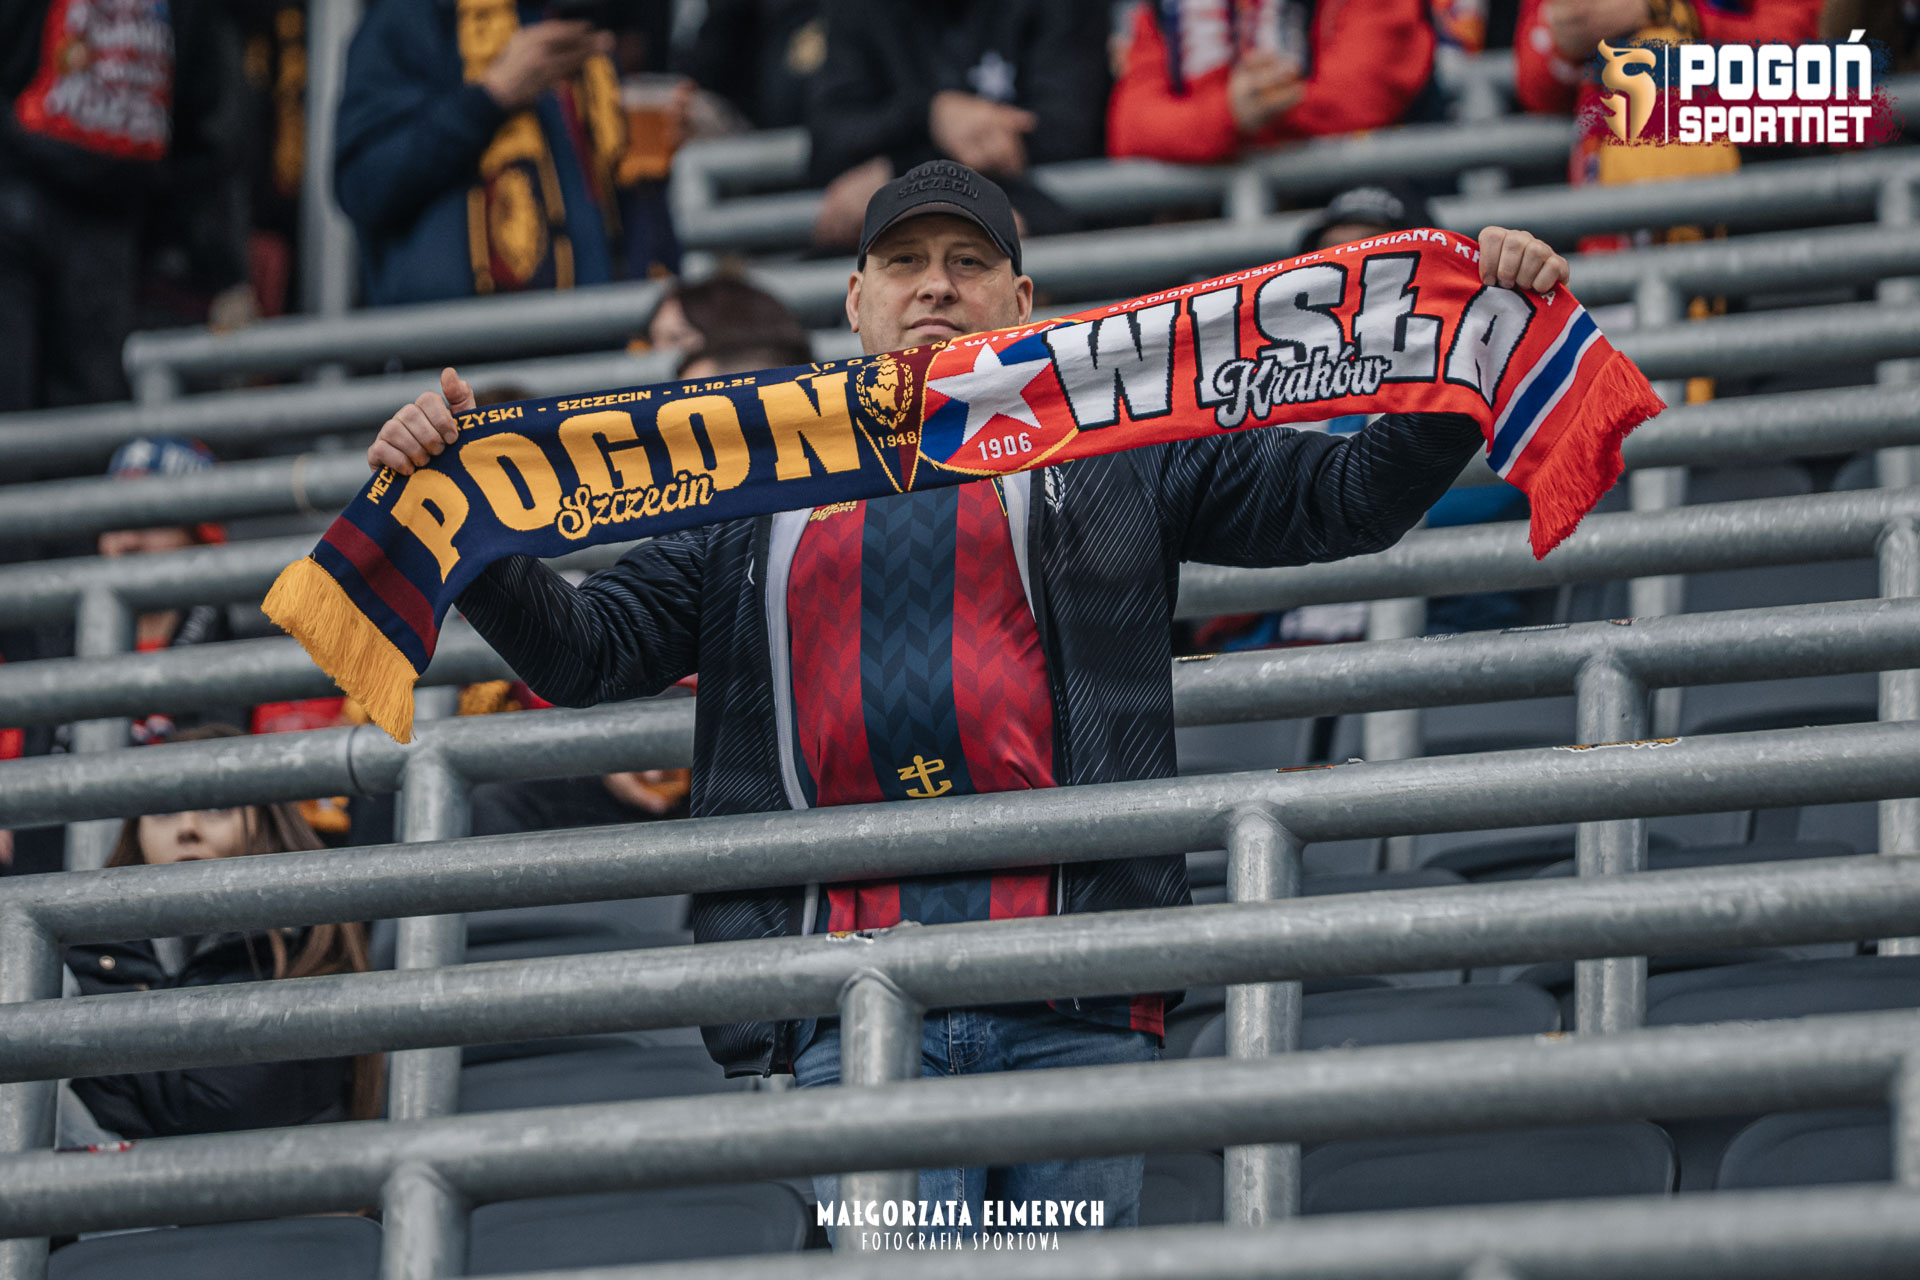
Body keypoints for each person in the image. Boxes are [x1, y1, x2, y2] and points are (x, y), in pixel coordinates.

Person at [366, 160, 1569, 1231]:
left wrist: (1461, 348)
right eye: (903, 263)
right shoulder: (751, 477)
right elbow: (588, 650)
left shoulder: (1118, 440)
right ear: (855, 302)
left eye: (967, 261)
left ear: (1020, 299)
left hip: (1076, 996)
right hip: (846, 1001)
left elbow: (1345, 498)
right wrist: (473, 531)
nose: (934, 284)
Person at [59, 725, 383, 1146]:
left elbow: (215, 1107)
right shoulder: (89, 945)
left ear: (266, 821)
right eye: (163, 811)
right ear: (136, 832)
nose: (187, 828)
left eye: (216, 808)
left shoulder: (306, 942)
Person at [0, 0, 244, 412]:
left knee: (88, 416)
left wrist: (225, 269)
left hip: (114, 222)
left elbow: (203, 131)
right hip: (18, 201)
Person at [333, 0, 628, 305]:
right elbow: (364, 185)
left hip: (593, 321)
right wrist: (491, 96)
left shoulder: (579, 16)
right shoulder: (412, 17)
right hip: (453, 326)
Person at [805, 0, 1110, 249]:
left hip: (1047, 240)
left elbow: (1063, 138)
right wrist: (930, 117)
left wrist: (899, 173)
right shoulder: (858, 8)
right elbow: (828, 143)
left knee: (989, 241)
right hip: (881, 247)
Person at [1107, 0, 1439, 164]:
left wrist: (1246, 115)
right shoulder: (1166, 8)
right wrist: (1229, 113)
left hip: (1351, 204)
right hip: (1213, 225)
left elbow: (1363, 97)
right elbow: (1130, 127)